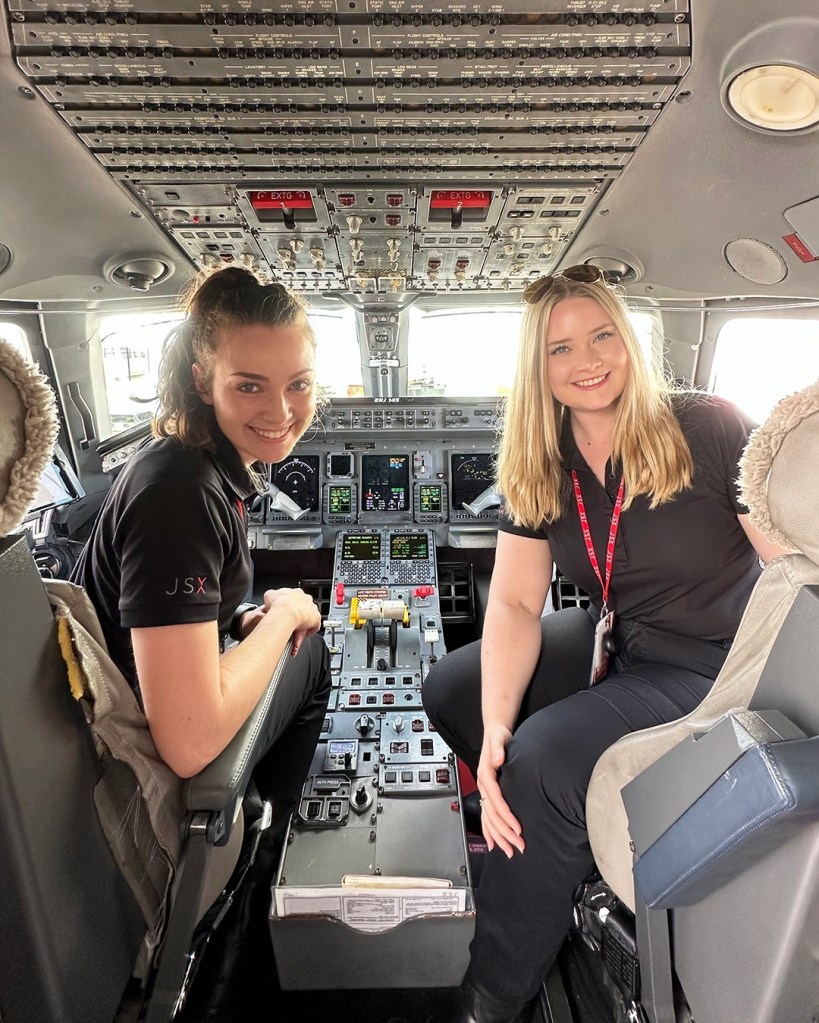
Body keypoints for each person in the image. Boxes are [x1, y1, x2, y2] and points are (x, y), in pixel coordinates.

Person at [421, 265, 787, 1023]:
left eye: (601, 336)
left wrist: (516, 754)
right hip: (622, 644)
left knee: (544, 760)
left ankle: (490, 995)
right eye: (560, 348)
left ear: (629, 340)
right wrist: (491, 731)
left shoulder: (709, 425)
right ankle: (561, 840)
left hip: (715, 664)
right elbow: (518, 601)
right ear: (537, 366)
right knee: (454, 691)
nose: (586, 360)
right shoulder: (539, 457)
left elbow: (789, 564)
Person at [72, 266, 330, 811]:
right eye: (249, 385)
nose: (280, 412)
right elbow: (187, 744)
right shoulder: (178, 495)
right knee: (311, 651)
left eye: (298, 384)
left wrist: (238, 619)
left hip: (137, 697)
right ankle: (251, 855)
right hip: (126, 755)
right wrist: (284, 613)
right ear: (201, 381)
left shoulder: (196, 462)